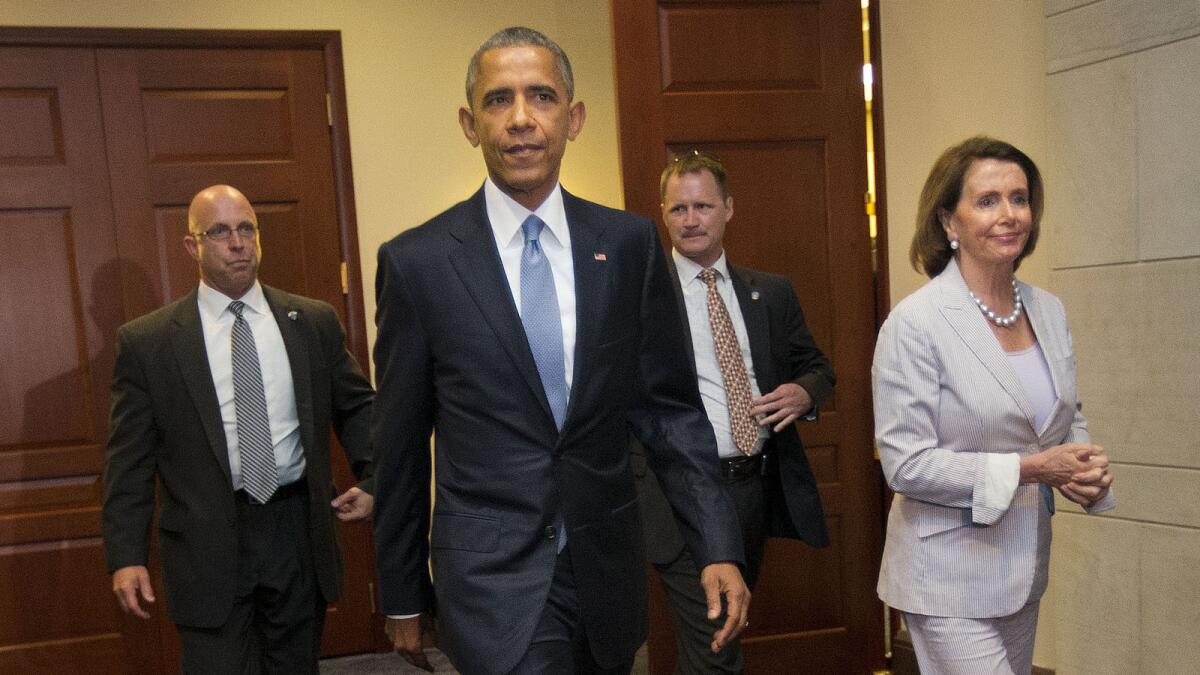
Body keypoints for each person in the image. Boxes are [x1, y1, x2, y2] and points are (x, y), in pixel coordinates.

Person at [372, 26, 750, 675]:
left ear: (572, 118)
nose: (521, 119)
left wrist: (717, 542)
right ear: (470, 123)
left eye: (541, 97)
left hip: (605, 569)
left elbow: (669, 412)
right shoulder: (419, 263)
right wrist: (402, 587)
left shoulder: (627, 245)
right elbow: (400, 442)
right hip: (491, 582)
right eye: (498, 100)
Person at [102, 184, 375, 674]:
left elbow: (357, 407)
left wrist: (374, 479)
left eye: (246, 228)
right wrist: (126, 555)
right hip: (205, 542)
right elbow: (129, 463)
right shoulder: (150, 343)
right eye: (220, 231)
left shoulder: (310, 321)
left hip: (295, 531)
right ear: (193, 245)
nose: (237, 243)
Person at [873, 137, 1115, 675]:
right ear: (948, 222)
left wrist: (1084, 467)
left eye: (1019, 198)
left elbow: (1061, 417)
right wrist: (1032, 470)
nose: (1008, 215)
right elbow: (905, 464)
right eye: (986, 201)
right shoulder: (917, 324)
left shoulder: (1048, 310)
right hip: (943, 575)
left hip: (1022, 566)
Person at [633, 151, 835, 673]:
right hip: (677, 494)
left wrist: (805, 393)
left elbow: (818, 366)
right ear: (662, 213)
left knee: (724, 632)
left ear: (728, 209)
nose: (691, 219)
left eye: (703, 206)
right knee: (716, 640)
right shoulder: (641, 298)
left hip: (751, 487)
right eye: (678, 209)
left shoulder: (770, 291)